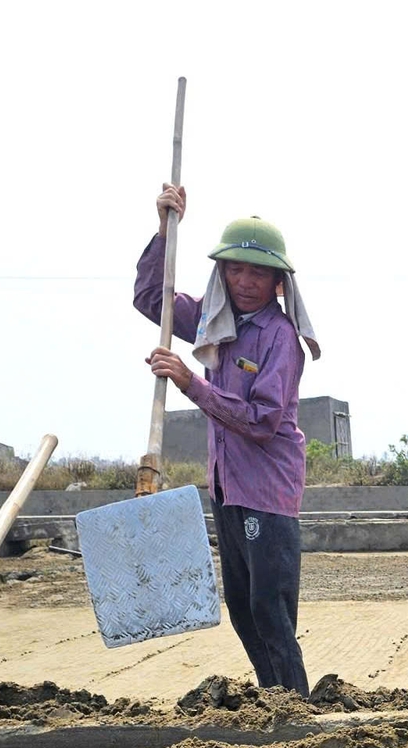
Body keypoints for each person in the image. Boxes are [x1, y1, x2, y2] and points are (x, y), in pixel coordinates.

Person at [134, 185, 322, 696]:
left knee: (271, 608)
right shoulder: (215, 322)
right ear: (222, 273)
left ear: (278, 283)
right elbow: (153, 299)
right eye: (235, 270)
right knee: (242, 608)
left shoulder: (279, 338)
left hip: (268, 492)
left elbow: (262, 420)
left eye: (258, 272)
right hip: (227, 488)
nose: (245, 281)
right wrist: (164, 227)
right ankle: (274, 701)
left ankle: (297, 708)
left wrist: (191, 383)